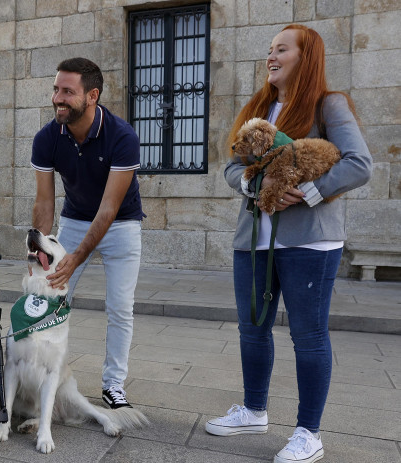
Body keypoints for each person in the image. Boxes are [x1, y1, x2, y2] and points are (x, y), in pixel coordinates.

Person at [208, 24, 372, 463]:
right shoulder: (257, 108)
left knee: (309, 336)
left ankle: (308, 433)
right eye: (269, 49)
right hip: (253, 242)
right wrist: (251, 186)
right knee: (251, 329)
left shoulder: (328, 105)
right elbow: (231, 168)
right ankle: (254, 410)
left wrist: (310, 192)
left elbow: (360, 163)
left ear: (306, 57)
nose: (271, 56)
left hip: (310, 244)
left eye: (282, 49)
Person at [31, 57, 144, 409]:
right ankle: (42, 376)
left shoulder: (122, 136)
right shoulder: (47, 137)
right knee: (51, 297)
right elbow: (45, 203)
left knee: (121, 308)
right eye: (55, 89)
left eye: (68, 91)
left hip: (122, 223)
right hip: (76, 219)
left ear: (92, 95)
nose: (57, 98)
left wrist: (77, 256)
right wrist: (40, 252)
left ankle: (113, 386)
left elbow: (109, 210)